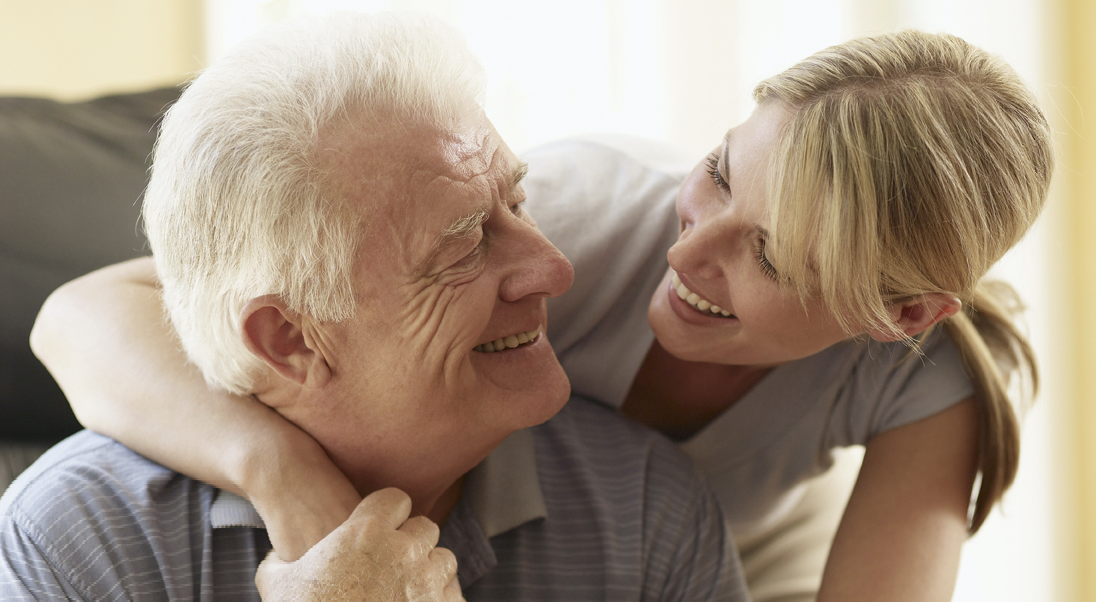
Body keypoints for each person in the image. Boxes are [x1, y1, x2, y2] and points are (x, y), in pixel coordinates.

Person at [30, 27, 1051, 602]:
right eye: (719, 172)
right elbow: (81, 313)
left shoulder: (921, 386)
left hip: (736, 556)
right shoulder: (578, 211)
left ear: (898, 311)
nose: (686, 251)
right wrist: (294, 486)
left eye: (774, 253)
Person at [1, 13, 745, 601]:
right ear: (289, 338)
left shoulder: (644, 509)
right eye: (461, 244)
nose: (552, 268)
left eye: (518, 203)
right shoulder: (76, 544)